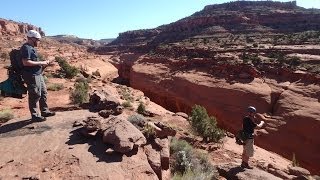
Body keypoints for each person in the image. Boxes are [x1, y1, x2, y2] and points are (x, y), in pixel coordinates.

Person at [20, 30, 55, 121]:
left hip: (38, 74)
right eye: (38, 40)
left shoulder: (32, 48)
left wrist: (43, 64)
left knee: (43, 93)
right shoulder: (26, 48)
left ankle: (44, 111)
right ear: (32, 38)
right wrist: (41, 62)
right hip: (31, 75)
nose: (39, 42)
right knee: (35, 95)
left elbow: (33, 62)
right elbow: (25, 62)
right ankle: (35, 115)